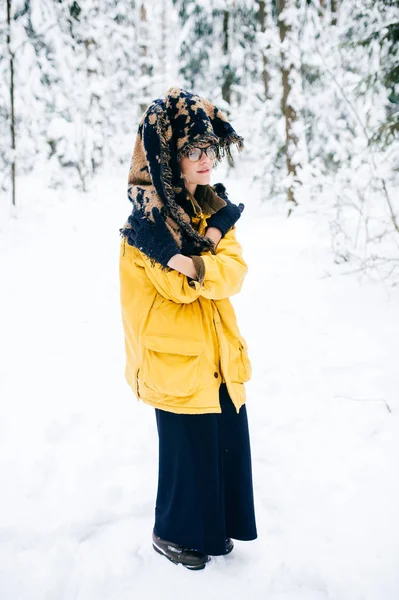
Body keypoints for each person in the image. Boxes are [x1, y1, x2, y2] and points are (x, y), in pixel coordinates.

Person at [119, 87, 257, 570]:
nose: (205, 160)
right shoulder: (146, 223)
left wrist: (200, 256)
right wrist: (205, 259)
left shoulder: (213, 211)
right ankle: (171, 534)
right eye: (191, 150)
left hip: (216, 356)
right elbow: (176, 287)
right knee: (187, 454)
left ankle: (215, 529)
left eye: (209, 149)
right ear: (166, 156)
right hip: (174, 360)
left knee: (221, 445)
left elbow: (234, 273)